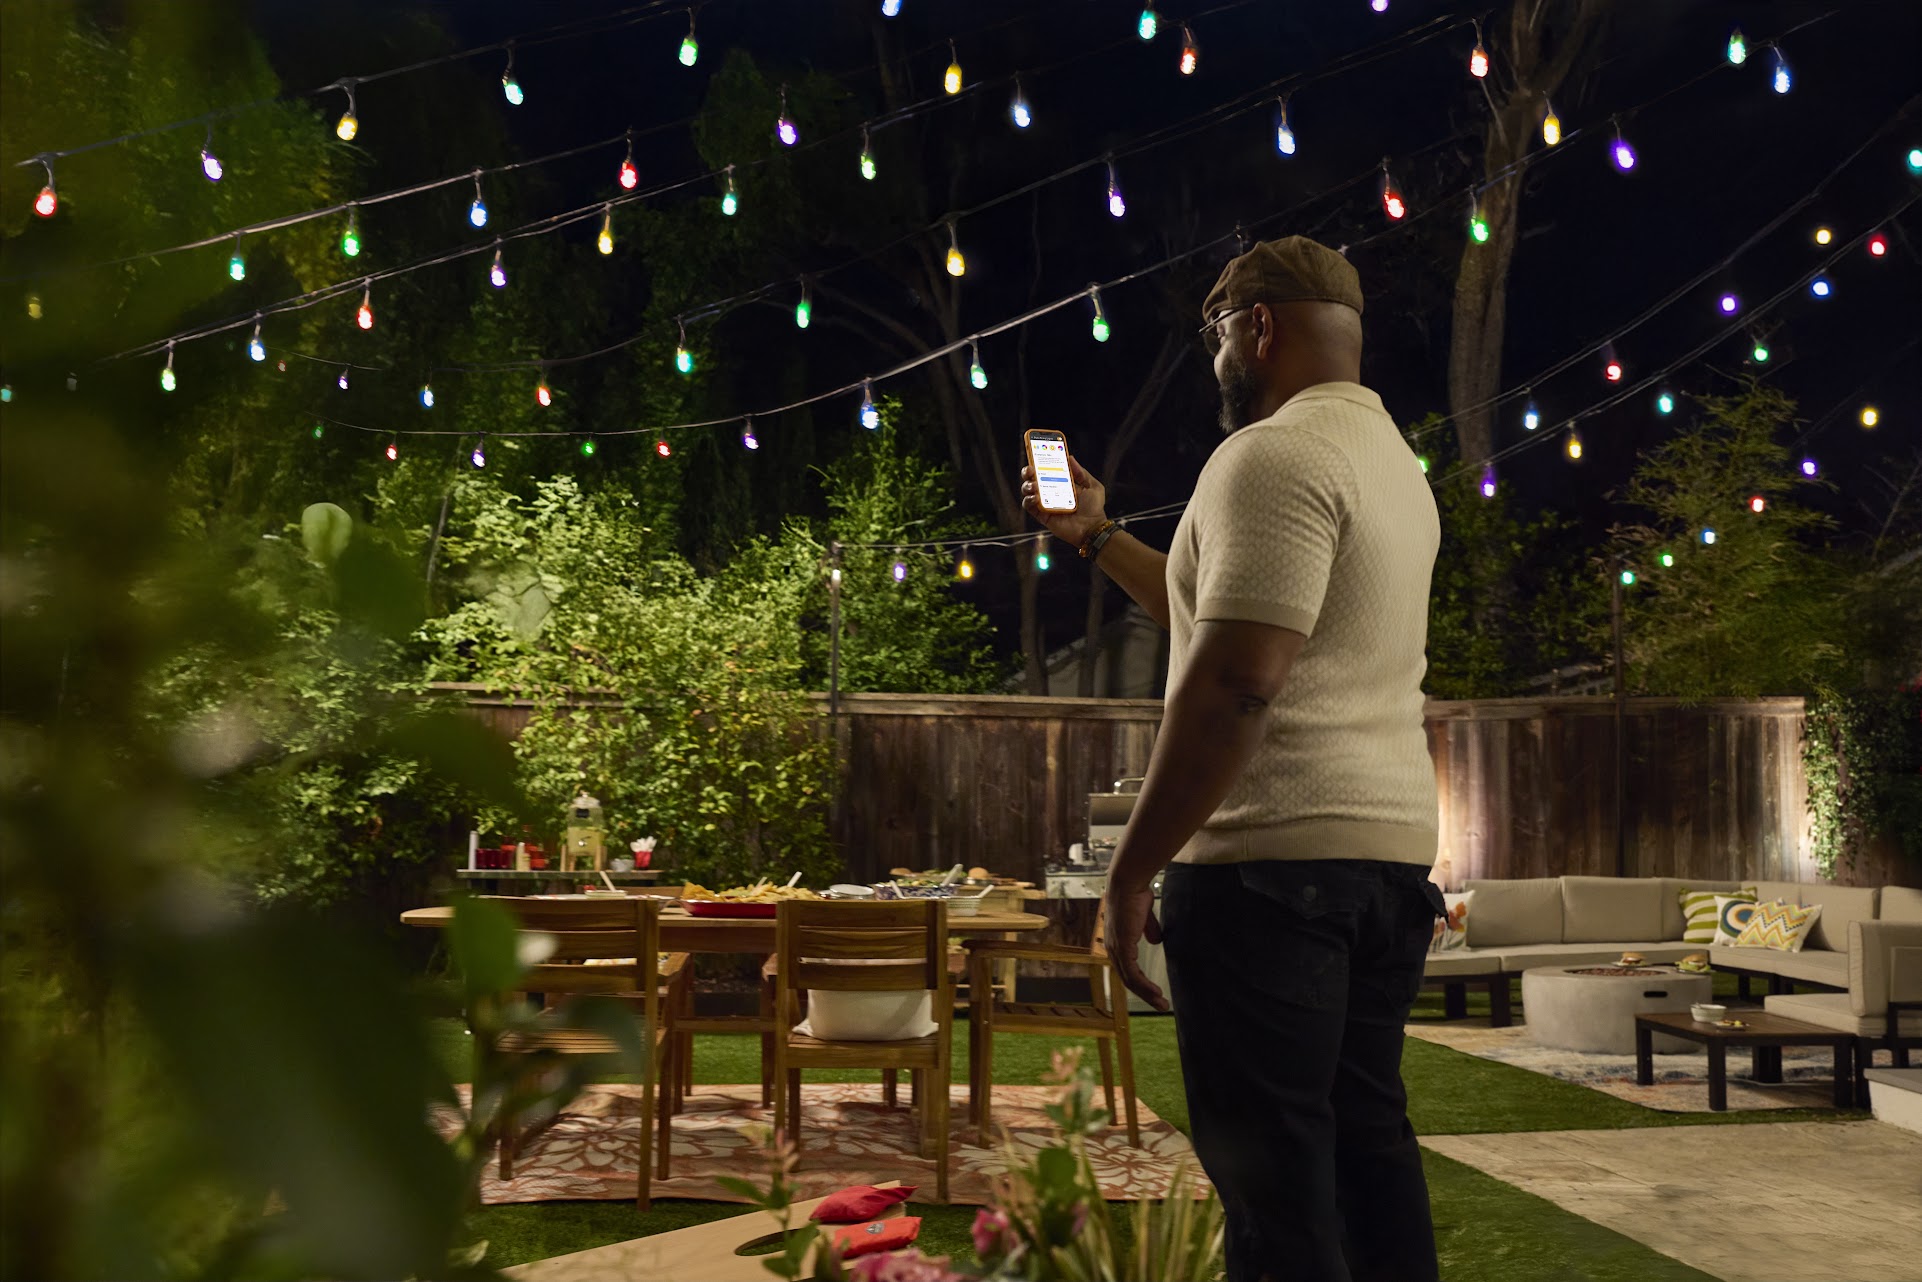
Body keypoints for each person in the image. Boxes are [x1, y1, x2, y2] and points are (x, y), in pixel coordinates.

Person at [1020, 236, 1444, 1282]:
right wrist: (1093, 533)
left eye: (1213, 331)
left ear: (1255, 326)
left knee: (1274, 1189)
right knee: (1363, 1153)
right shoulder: (1390, 468)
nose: (1213, 355)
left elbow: (1235, 681)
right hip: (1384, 867)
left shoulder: (1267, 457)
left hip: (1268, 876)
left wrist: (1129, 872)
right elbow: (1219, 613)